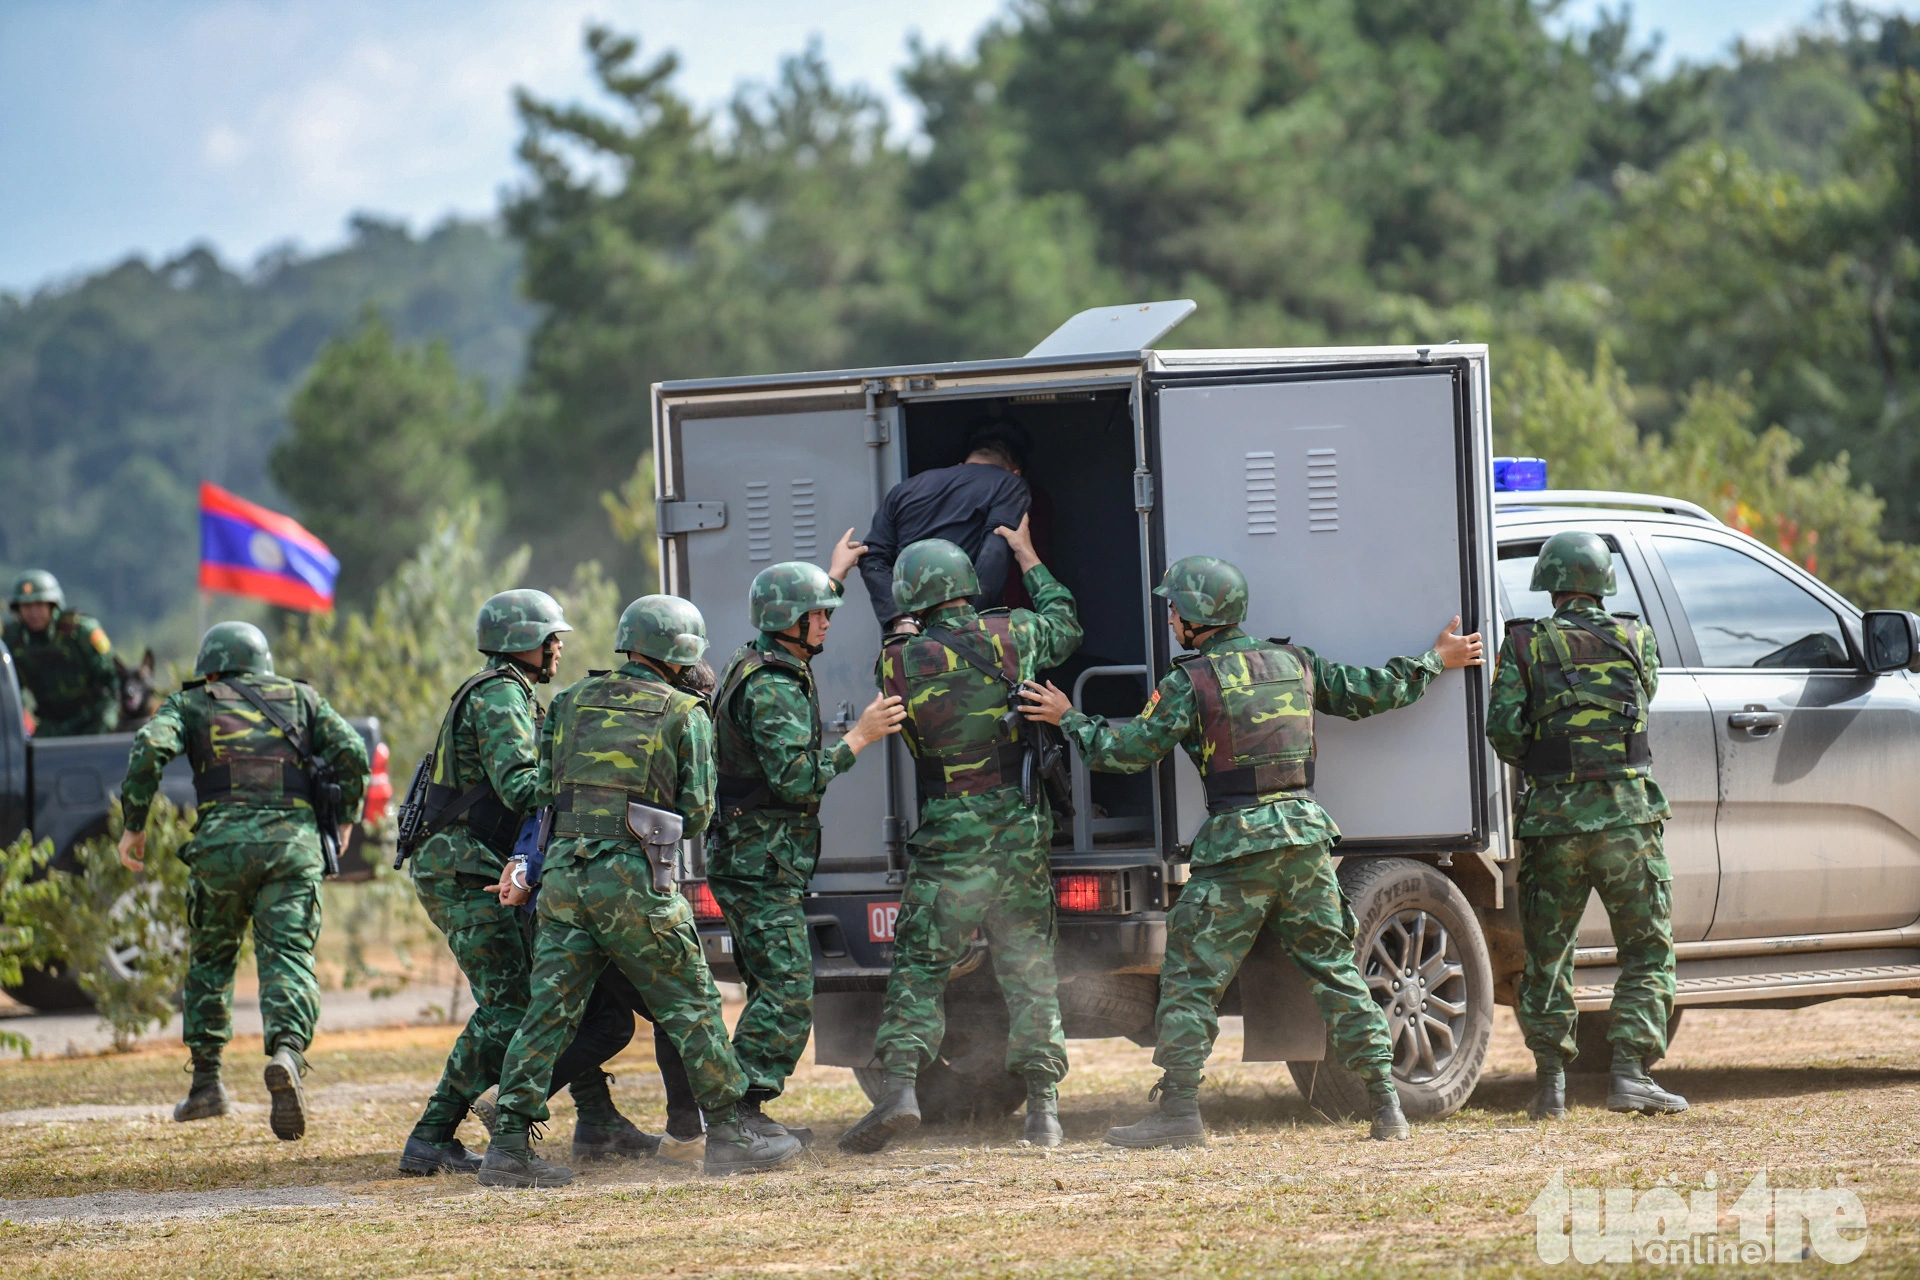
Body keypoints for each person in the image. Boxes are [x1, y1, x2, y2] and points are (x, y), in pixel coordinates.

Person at [1019, 556, 1483, 1146]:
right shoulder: (1297, 664)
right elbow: (1372, 691)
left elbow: (1126, 751)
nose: (1168, 617)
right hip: (1305, 840)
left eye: (1173, 608)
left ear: (1195, 616)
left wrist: (1070, 717)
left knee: (1191, 978)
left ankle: (1180, 1113)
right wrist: (1433, 661)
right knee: (1338, 972)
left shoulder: (1190, 681)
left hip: (1237, 848)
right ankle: (1386, 1105)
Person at [479, 595, 800, 1187]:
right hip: (635, 884)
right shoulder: (683, 712)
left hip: (566, 881)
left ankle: (506, 1148)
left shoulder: (570, 701)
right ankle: (728, 1133)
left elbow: (545, 788)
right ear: (681, 653)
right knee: (692, 1004)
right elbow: (699, 811)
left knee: (550, 1013)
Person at [398, 590, 679, 1174]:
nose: (558, 650)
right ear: (523, 643)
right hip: (462, 866)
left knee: (563, 991)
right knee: (513, 1002)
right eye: (553, 639)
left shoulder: (513, 692)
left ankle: (597, 1120)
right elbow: (521, 786)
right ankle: (432, 1135)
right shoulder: (500, 694)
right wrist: (595, 786)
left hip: (478, 860)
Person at [839, 517, 1082, 1154]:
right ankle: (1044, 1112)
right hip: (1017, 828)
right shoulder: (1017, 633)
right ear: (965, 586)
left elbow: (900, 670)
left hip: (950, 831)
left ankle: (897, 1091)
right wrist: (1028, 553)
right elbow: (1066, 622)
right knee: (1029, 969)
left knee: (920, 965)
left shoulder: (895, 662)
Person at [117, 621, 369, 1141]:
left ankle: (207, 1085)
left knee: (212, 959)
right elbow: (353, 755)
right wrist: (346, 818)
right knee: (289, 957)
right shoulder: (302, 699)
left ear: (211, 666)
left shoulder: (193, 702)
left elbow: (147, 747)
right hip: (292, 847)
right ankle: (286, 1054)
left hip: (222, 849)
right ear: (263, 663)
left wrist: (134, 827)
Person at [709, 532, 907, 1142]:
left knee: (774, 986)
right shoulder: (771, 685)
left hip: (760, 860)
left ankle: (739, 1110)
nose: (826, 623)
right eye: (817, 614)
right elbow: (795, 781)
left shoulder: (772, 659)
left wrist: (833, 574)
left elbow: (798, 611)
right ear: (787, 622)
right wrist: (860, 737)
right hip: (758, 864)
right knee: (789, 991)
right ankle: (737, 1117)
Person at [1485, 530, 1686, 1121]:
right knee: (1647, 948)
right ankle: (1630, 1076)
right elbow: (1643, 696)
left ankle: (1550, 1085)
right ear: (1603, 583)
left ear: (1547, 584)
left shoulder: (1521, 645)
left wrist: (1547, 765)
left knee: (1548, 955)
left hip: (1553, 824)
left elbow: (1503, 731)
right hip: (1628, 818)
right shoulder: (1635, 637)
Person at [858, 422, 1032, 631]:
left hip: (910, 633)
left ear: (961, 465)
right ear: (1016, 472)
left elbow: (873, 557)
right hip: (965, 630)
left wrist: (901, 619)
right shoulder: (1009, 483)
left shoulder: (904, 490)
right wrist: (968, 624)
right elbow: (995, 553)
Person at [4, 569, 119, 736]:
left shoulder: (80, 631)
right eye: (27, 606)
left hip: (93, 722)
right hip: (50, 727)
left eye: (39, 604)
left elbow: (112, 680)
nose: (33, 612)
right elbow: (10, 692)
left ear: (52, 605)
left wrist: (106, 720)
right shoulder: (13, 641)